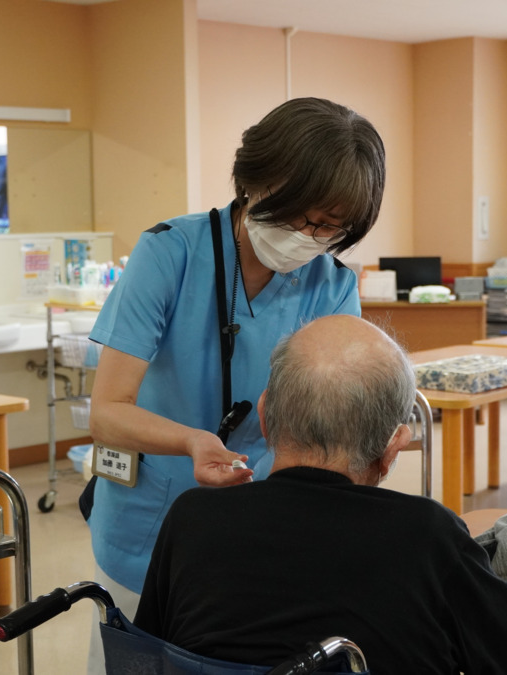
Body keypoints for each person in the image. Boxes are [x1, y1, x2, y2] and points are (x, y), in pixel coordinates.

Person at [84, 97, 385, 671]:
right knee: (136, 660)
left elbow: (339, 413)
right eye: (299, 214)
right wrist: (193, 442)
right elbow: (108, 412)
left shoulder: (331, 284)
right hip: (150, 517)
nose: (308, 237)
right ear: (254, 181)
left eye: (329, 227)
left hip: (265, 529)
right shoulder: (171, 252)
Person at [134, 315, 507, 674]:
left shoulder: (192, 518)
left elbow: (145, 654)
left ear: (264, 417)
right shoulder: (425, 535)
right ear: (393, 448)